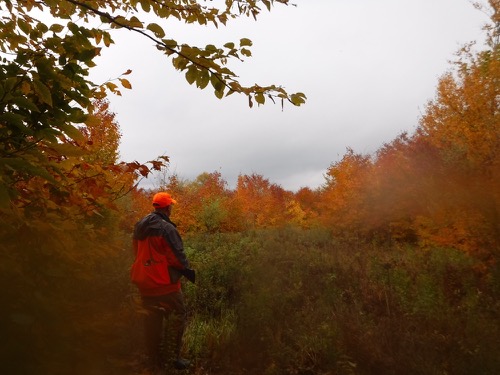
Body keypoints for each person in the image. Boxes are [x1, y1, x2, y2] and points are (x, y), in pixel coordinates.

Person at [131, 192, 195, 372]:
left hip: (144, 282)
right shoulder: (167, 229)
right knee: (178, 316)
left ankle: (153, 358)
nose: (171, 208)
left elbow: (136, 252)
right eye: (171, 206)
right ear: (167, 208)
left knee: (151, 319)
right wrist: (185, 269)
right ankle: (174, 358)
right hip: (165, 284)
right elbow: (177, 257)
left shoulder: (139, 226)